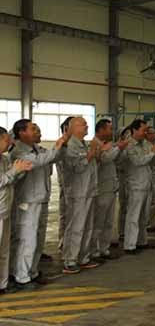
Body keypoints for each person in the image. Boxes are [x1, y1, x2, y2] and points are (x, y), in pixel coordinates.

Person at [10, 119, 65, 288]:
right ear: (22, 133)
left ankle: (32, 272)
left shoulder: (38, 149)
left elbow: (49, 159)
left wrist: (59, 148)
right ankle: (21, 276)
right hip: (27, 201)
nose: (36, 131)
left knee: (38, 238)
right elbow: (40, 161)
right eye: (33, 129)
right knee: (27, 239)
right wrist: (59, 144)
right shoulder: (19, 151)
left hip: (40, 198)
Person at [63, 117, 106, 274]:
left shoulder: (85, 144)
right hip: (78, 192)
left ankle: (83, 256)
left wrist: (94, 153)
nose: (87, 126)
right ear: (73, 127)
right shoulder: (70, 146)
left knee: (87, 226)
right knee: (76, 227)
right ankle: (70, 259)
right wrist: (90, 154)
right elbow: (76, 167)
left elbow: (93, 166)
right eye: (83, 124)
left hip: (89, 190)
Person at [0, 127, 32, 295]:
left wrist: (20, 172)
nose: (10, 142)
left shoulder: (4, 159)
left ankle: (3, 284)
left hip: (5, 209)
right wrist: (14, 171)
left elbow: (9, 180)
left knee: (4, 251)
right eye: (6, 139)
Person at [124, 120, 155, 254]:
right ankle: (130, 245)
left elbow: (151, 160)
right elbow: (138, 161)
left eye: (147, 130)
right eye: (143, 130)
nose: (145, 133)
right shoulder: (129, 145)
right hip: (136, 185)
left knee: (143, 216)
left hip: (146, 183)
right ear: (134, 130)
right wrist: (153, 153)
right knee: (133, 216)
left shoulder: (145, 143)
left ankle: (141, 241)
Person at [91, 119, 128, 262]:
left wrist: (120, 149)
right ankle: (94, 251)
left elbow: (115, 160)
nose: (111, 131)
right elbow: (105, 159)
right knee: (98, 222)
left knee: (108, 221)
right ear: (100, 130)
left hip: (111, 186)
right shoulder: (94, 144)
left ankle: (104, 249)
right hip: (101, 187)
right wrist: (117, 148)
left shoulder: (108, 145)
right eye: (109, 128)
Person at [31, 124, 53, 263]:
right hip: (30, 199)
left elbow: (49, 170)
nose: (39, 134)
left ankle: (35, 262)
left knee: (39, 232)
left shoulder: (41, 150)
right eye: (35, 130)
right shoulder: (19, 152)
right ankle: (22, 273)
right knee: (28, 236)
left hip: (42, 195)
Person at [56, 116, 74, 252]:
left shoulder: (77, 143)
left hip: (75, 185)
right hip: (67, 185)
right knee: (65, 214)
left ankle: (68, 240)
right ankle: (63, 240)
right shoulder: (62, 145)